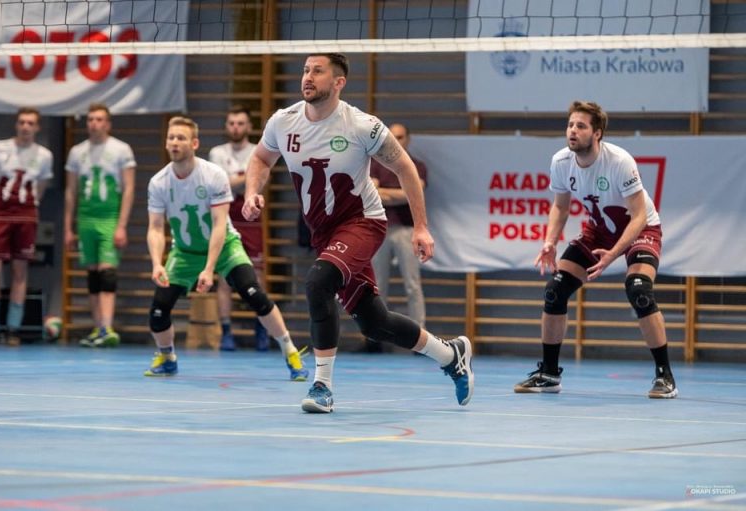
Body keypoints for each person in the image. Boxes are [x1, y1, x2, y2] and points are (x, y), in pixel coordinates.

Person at [242, 53, 474, 413]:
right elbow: (260, 159)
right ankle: (450, 354)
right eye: (305, 70)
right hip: (323, 233)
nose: (308, 77)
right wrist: (251, 192)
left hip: (363, 222)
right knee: (374, 323)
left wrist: (421, 227)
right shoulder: (283, 122)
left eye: (318, 71)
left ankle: (322, 386)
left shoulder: (362, 126)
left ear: (339, 83)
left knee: (318, 282)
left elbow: (406, 169)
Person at [514, 100, 677, 399]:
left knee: (639, 290)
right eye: (570, 125)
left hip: (640, 228)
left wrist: (614, 254)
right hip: (599, 229)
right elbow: (560, 207)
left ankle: (664, 376)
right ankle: (549, 373)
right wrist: (550, 241)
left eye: (581, 126)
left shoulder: (619, 161)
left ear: (597, 133)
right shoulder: (561, 161)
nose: (572, 131)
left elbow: (638, 216)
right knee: (555, 291)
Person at [144, 116, 308, 381]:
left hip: (225, 246)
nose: (174, 142)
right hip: (185, 251)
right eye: (171, 137)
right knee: (158, 310)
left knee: (254, 294)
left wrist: (209, 269)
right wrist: (156, 264)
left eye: (181, 138)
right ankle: (167, 357)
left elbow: (220, 225)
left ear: (194, 143)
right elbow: (154, 228)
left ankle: (290, 351)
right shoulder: (159, 182)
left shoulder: (212, 175)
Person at [64, 103, 135, 348]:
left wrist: (122, 225)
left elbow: (129, 189)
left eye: (99, 119)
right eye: (91, 119)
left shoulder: (121, 149)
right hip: (85, 219)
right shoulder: (77, 152)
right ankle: (98, 328)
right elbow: (71, 191)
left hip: (109, 218)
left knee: (107, 273)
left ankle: (107, 327)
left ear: (108, 123)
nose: (94, 123)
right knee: (93, 274)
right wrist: (68, 228)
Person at [0, 107, 53, 345]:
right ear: (16, 124)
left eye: (30, 123)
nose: (25, 127)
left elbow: (40, 189)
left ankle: (13, 328)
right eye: (22, 122)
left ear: (37, 127)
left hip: (26, 217)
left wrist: (28, 211)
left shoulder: (43, 155)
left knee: (19, 271)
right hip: (0, 215)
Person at [208, 106, 270, 352]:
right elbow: (220, 186)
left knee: (257, 276)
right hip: (226, 218)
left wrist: (239, 182)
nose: (236, 128)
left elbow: (260, 183)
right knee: (225, 278)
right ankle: (226, 332)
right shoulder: (217, 153)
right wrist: (247, 178)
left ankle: (262, 328)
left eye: (240, 123)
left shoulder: (258, 151)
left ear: (249, 126)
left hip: (251, 220)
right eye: (232, 123)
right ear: (226, 126)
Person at [366, 122, 428, 353]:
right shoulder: (375, 165)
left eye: (400, 137)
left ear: (408, 140)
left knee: (412, 285)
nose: (397, 141)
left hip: (406, 230)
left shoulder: (417, 166)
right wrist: (401, 194)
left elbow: (413, 193)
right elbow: (372, 193)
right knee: (377, 286)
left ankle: (421, 341)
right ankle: (374, 339)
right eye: (393, 137)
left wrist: (386, 193)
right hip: (379, 230)